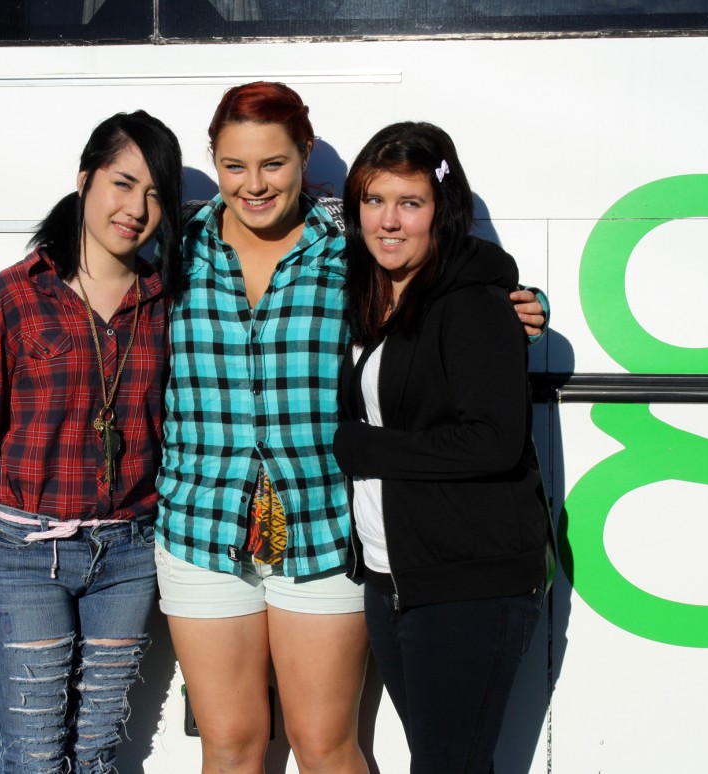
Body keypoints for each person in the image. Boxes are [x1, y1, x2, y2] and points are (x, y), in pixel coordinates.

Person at [154, 81, 548, 774]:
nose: (254, 184)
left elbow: (451, 263)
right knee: (229, 744)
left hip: (322, 523)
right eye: (235, 165)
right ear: (213, 160)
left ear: (305, 155)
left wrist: (521, 301)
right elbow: (89, 269)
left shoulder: (349, 246)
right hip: (201, 520)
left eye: (273, 163)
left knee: (326, 744)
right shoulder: (178, 248)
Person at [0, 110, 183, 773]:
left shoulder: (165, 299)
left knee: (97, 756)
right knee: (34, 758)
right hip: (25, 556)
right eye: (123, 184)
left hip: (128, 556)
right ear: (84, 179)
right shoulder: (11, 300)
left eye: (156, 194)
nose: (136, 208)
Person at [332, 121, 553, 774]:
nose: (389, 221)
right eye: (374, 201)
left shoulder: (474, 302)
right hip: (390, 577)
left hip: (468, 582)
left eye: (411, 202)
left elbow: (492, 441)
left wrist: (365, 450)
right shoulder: (366, 295)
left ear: (443, 209)